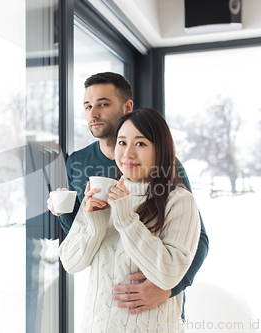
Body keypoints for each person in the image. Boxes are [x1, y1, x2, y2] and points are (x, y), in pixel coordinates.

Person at [47, 72, 208, 314]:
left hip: (155, 306)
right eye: (87, 106)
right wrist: (63, 213)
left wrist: (168, 289)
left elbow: (198, 238)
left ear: (127, 107)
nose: (93, 113)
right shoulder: (77, 162)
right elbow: (87, 236)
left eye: (103, 104)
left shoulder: (166, 165)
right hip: (106, 306)